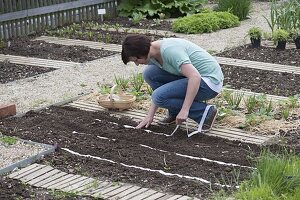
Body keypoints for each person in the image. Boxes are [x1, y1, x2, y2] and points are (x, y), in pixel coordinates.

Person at [121, 34, 224, 134]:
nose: (137, 64)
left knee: (158, 96)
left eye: (136, 60)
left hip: (209, 82)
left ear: (142, 51)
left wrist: (185, 110)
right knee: (149, 74)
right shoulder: (153, 53)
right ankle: (174, 113)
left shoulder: (170, 51)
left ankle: (205, 113)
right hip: (191, 77)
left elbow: (195, 77)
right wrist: (149, 116)